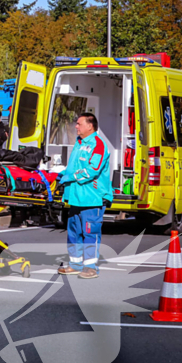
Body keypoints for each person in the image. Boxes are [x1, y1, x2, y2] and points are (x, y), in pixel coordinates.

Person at [57, 113, 112, 279]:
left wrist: (71, 177)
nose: (76, 126)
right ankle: (75, 264)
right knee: (74, 232)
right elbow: (73, 167)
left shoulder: (98, 144)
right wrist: (62, 174)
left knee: (90, 233)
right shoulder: (79, 143)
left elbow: (92, 170)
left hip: (92, 199)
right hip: (76, 198)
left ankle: (90, 267)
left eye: (79, 124)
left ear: (90, 126)